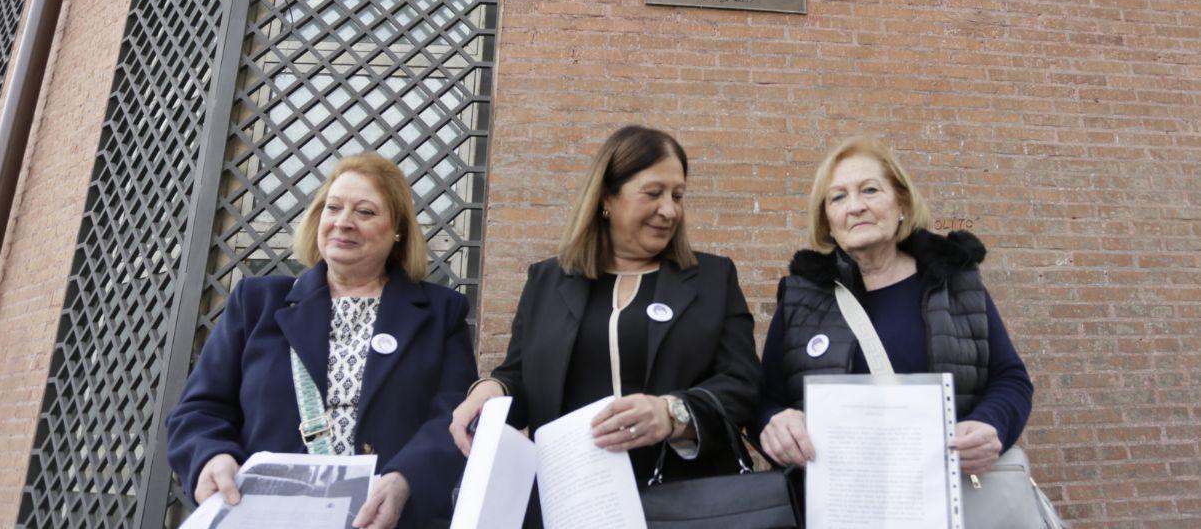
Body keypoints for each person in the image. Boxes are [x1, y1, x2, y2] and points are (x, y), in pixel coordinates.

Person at [449, 125, 760, 523]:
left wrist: (674, 413)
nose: (670, 210)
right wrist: (491, 391)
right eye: (653, 193)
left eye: (678, 196)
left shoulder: (713, 279)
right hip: (574, 505)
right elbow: (520, 377)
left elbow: (743, 383)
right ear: (606, 198)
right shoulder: (547, 281)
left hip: (688, 504)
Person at [167, 153, 476, 529]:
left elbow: (453, 418)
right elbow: (199, 410)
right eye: (333, 207)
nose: (343, 222)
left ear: (397, 230)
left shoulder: (441, 313)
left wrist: (406, 479)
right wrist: (211, 456)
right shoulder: (256, 302)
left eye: (365, 212)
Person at [757, 136, 1034, 479]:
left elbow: (1011, 378)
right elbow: (765, 399)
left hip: (948, 491)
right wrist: (774, 422)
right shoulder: (801, 298)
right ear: (827, 220)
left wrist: (990, 423)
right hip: (840, 496)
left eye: (870, 190)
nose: (855, 206)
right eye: (838, 197)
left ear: (901, 202)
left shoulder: (953, 280)